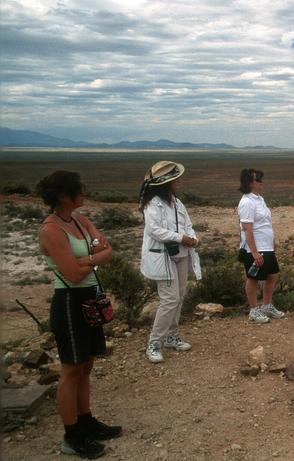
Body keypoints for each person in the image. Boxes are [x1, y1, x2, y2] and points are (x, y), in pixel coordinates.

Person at [38, 171, 121, 459]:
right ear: (63, 195)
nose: (83, 193)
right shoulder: (51, 230)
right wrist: (95, 258)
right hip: (69, 302)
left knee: (86, 365)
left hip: (89, 298)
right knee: (71, 370)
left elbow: (108, 251)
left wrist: (87, 259)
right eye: (78, 189)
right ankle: (71, 436)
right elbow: (72, 275)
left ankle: (86, 421)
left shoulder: (78, 220)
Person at [139, 161, 201, 364]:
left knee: (179, 296)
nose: (179, 182)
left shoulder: (177, 202)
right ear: (165, 183)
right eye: (175, 179)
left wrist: (192, 238)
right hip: (162, 256)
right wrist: (181, 238)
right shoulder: (152, 205)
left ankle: (172, 336)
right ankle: (154, 343)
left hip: (181, 254)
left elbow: (188, 224)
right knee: (169, 299)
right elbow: (154, 230)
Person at [238, 168, 285, 322]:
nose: (261, 182)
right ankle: (253, 310)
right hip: (255, 248)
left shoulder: (260, 199)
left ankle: (266, 306)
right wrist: (254, 252)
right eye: (258, 179)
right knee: (253, 278)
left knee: (272, 275)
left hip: (267, 246)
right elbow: (247, 229)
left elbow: (266, 223)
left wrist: (273, 240)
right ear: (250, 183)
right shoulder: (247, 202)